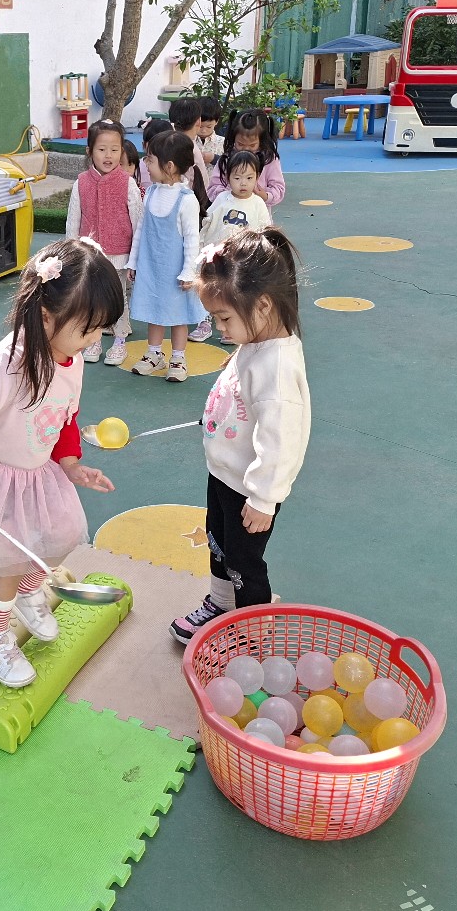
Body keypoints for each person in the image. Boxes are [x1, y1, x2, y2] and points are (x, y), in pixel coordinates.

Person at [0, 240, 123, 687]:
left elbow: (65, 417)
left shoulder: (71, 358)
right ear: (46, 317)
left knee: (61, 535)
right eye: (88, 330)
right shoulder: (7, 363)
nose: (95, 340)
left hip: (39, 474)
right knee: (10, 563)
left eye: (100, 330)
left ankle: (28, 591)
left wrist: (71, 465)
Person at [169, 227, 311, 644]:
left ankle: (251, 634)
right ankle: (220, 604)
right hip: (225, 473)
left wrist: (264, 498)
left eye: (224, 318)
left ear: (263, 305)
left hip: (251, 490)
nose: (218, 328)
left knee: (244, 565)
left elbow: (282, 441)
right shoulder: (256, 341)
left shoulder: (278, 368)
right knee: (219, 545)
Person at [126, 129, 205, 384]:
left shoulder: (186, 200)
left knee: (177, 315)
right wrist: (134, 261)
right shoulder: (150, 193)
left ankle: (178, 358)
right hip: (151, 267)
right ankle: (154, 354)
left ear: (169, 166)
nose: (145, 164)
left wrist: (189, 272)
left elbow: (192, 240)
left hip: (176, 272)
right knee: (154, 310)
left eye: (150, 160)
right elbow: (141, 230)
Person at [65, 119, 142, 366]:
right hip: (90, 256)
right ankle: (94, 340)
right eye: (101, 149)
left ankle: (120, 342)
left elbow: (138, 222)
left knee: (118, 298)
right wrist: (71, 253)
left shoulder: (127, 183)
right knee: (92, 300)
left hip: (120, 255)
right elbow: (73, 220)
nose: (108, 155)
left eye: (114, 149)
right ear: (89, 151)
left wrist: (136, 258)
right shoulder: (81, 182)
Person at [206, 109, 286, 208]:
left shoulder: (268, 159)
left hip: (257, 213)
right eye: (240, 144)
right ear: (233, 137)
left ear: (262, 141)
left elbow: (278, 188)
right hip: (229, 212)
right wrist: (229, 194)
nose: (246, 149)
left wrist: (264, 196)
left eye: (252, 145)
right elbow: (213, 188)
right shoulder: (227, 158)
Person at [200, 150, 272, 248]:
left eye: (249, 178)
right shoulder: (222, 198)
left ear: (257, 177)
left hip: (246, 252)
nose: (243, 183)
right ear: (228, 178)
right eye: (237, 178)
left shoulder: (258, 203)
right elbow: (207, 221)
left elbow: (266, 231)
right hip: (221, 251)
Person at [137, 118, 173, 193]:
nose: (157, 149)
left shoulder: (173, 167)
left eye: (162, 144)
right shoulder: (137, 167)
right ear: (144, 145)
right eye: (152, 144)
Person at [195, 96, 225, 166]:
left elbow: (231, 164)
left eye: (209, 127)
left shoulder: (223, 143)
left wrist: (214, 159)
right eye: (200, 126)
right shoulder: (188, 141)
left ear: (216, 122)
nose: (203, 131)